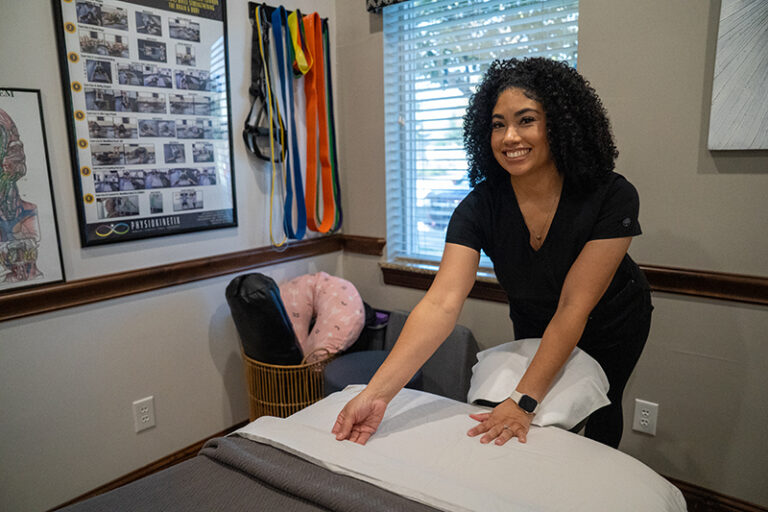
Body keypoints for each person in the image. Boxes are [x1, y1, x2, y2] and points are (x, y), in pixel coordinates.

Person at [332, 57, 652, 449]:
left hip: (613, 321)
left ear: (560, 125)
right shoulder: (479, 207)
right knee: (538, 419)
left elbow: (573, 307)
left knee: (598, 407)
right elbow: (442, 303)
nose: (509, 137)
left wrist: (522, 400)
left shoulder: (612, 196)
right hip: (535, 317)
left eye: (526, 120)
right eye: (498, 124)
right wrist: (375, 395)